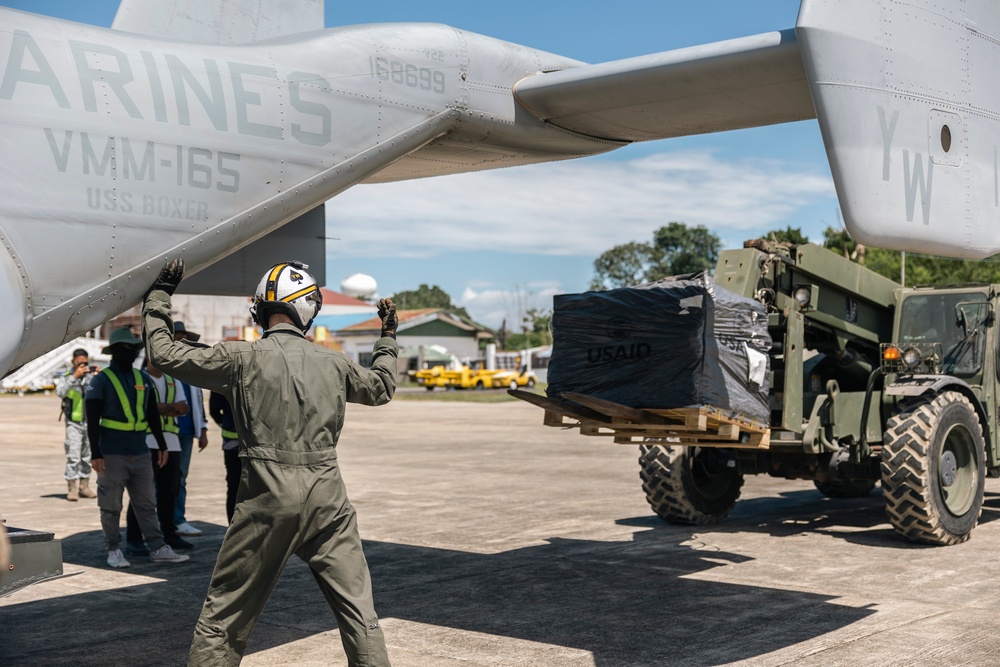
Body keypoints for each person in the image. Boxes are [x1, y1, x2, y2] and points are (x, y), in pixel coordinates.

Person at [142, 259, 397, 666]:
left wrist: (159, 296)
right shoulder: (334, 362)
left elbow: (165, 352)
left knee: (223, 618)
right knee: (360, 616)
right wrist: (387, 337)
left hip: (265, 499)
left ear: (261, 309)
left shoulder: (240, 357)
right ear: (308, 309)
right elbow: (381, 387)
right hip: (327, 500)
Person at [85, 327, 190, 568]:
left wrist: (162, 445)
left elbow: (152, 414)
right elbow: (92, 419)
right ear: (115, 351)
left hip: (140, 452)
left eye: (135, 348)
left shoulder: (142, 380)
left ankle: (157, 546)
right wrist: (95, 453)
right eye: (128, 348)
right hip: (111, 454)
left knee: (146, 504)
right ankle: (113, 549)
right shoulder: (100, 381)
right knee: (111, 506)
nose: (132, 352)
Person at [125, 358, 194, 555]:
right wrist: (170, 408)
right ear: (148, 358)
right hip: (148, 441)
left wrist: (160, 407)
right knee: (142, 494)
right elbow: (147, 409)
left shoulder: (174, 380)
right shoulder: (140, 379)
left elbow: (184, 409)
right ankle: (134, 537)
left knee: (169, 491)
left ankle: (169, 534)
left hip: (171, 443)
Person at [172, 321, 209, 538]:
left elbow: (198, 401)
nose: (181, 340)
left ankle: (178, 519)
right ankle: (165, 519)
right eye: (177, 336)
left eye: (184, 337)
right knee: (163, 479)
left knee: (181, 477)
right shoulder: (162, 366)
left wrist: (203, 430)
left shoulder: (191, 370)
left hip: (186, 432)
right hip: (168, 431)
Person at [55, 348, 98, 501]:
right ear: (73, 361)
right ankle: (72, 487)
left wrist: (97, 377)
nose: (83, 366)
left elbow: (100, 393)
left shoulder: (91, 378)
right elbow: (60, 392)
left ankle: (84, 486)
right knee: (73, 455)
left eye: (85, 363)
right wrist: (74, 377)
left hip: (89, 422)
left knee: (87, 456)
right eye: (80, 363)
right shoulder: (67, 377)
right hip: (73, 422)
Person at [208, 391, 241, 523]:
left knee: (234, 488)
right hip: (244, 445)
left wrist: (227, 422)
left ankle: (233, 530)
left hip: (233, 445)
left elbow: (214, 410)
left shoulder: (226, 375)